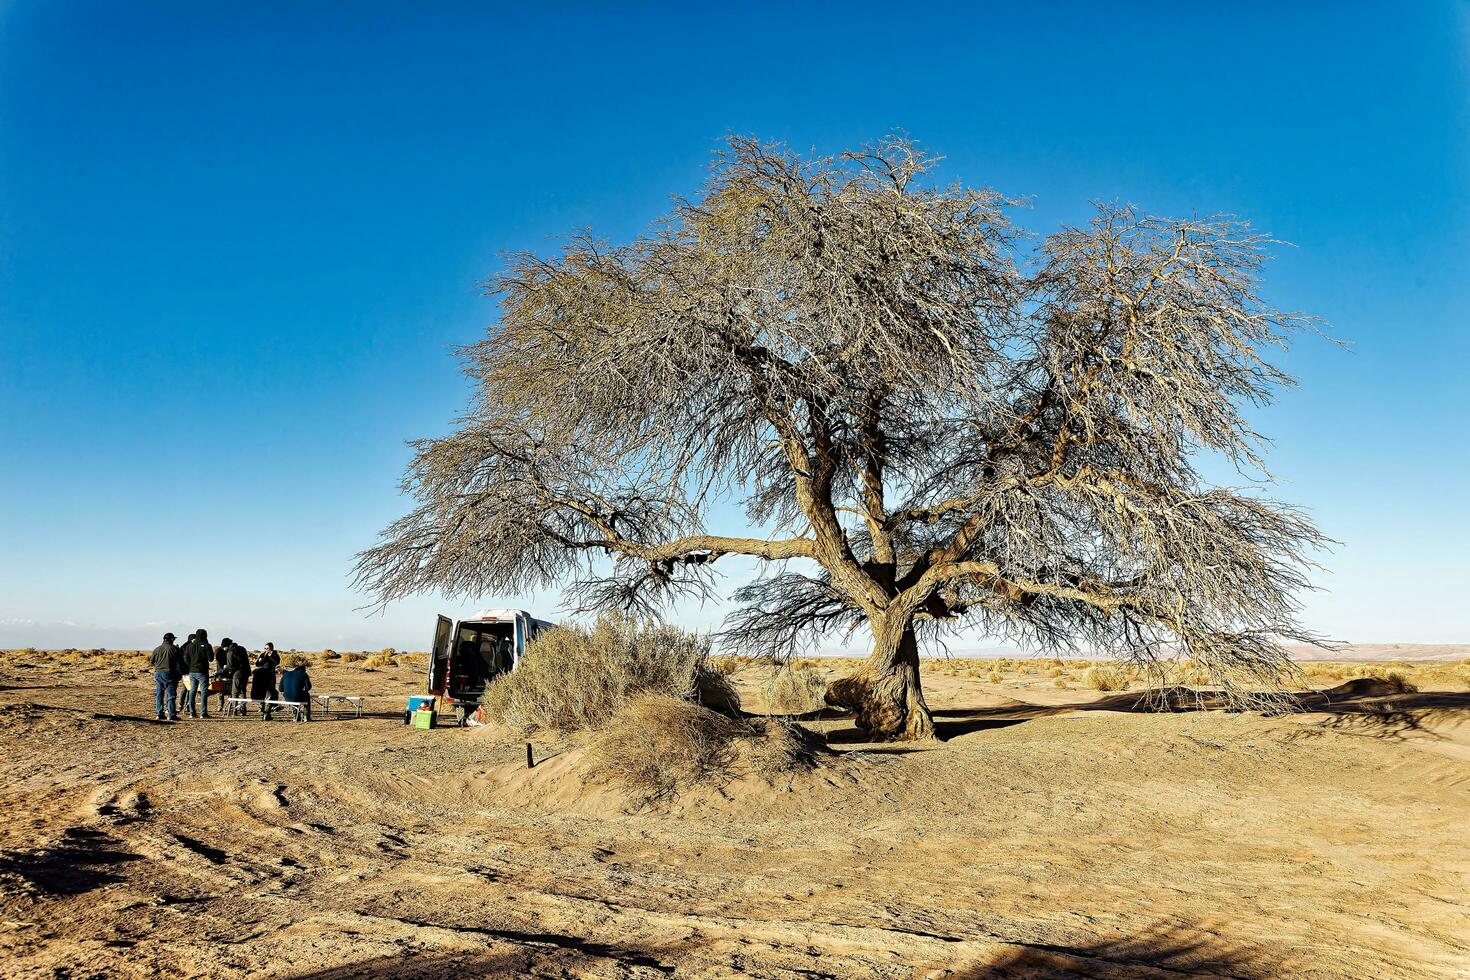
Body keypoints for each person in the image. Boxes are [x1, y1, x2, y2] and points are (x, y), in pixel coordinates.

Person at [179, 628, 213, 718]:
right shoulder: (207, 645)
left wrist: (191, 665)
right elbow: (211, 659)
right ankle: (203, 712)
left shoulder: (190, 646)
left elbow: (185, 657)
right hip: (202, 671)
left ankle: (192, 712)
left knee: (192, 691)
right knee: (203, 691)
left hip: (192, 671)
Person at [150, 632, 184, 721]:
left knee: (159, 694)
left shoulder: (157, 649)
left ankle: (159, 713)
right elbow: (181, 663)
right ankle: (171, 714)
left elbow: (151, 661)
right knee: (171, 695)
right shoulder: (175, 649)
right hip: (170, 673)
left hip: (158, 673)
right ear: (172, 639)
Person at [278, 656, 313, 721]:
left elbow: (280, 689)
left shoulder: (286, 674)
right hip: (297, 696)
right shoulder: (303, 674)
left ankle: (295, 715)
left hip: (287, 698)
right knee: (306, 695)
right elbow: (308, 687)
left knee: (295, 694)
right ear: (304, 668)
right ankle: (306, 715)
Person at [249, 654, 278, 718]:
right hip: (262, 694)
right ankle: (267, 712)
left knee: (269, 692)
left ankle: (264, 708)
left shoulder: (256, 672)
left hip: (254, 694)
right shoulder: (267, 673)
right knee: (273, 693)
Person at [227, 640, 252, 712]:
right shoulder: (242, 649)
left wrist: (226, 670)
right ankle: (243, 708)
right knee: (243, 690)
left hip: (237, 673)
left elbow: (230, 665)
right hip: (246, 672)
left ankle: (234, 708)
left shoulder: (230, 651)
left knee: (235, 691)